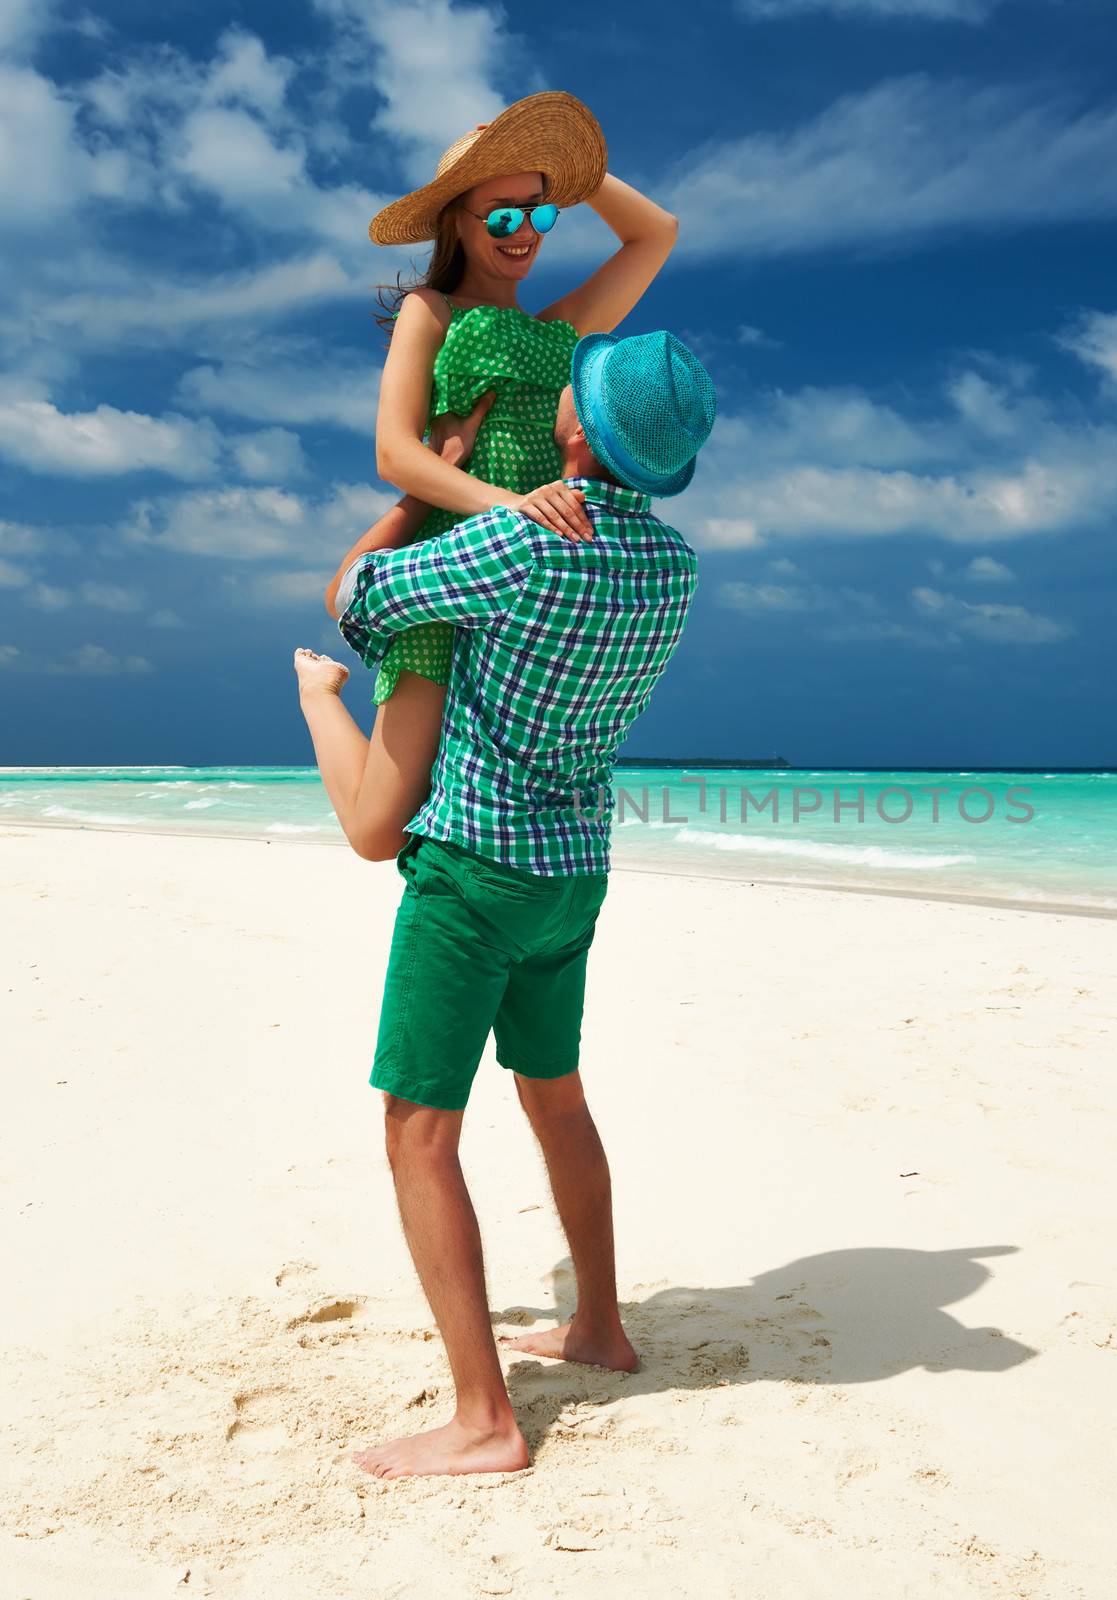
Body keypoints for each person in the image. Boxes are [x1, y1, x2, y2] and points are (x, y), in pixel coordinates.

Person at [301, 328, 715, 1480]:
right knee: (557, 1100)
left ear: (572, 430)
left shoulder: (520, 545)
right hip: (573, 867)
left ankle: (485, 1418)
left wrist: (425, 472)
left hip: (478, 865)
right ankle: (600, 1326)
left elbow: (355, 596)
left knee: (418, 1132)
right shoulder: (674, 566)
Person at [294, 90, 679, 859]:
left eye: (539, 214)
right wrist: (511, 506)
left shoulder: (561, 331)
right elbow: (394, 454)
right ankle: (317, 693)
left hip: (532, 591)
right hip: (454, 567)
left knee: (496, 803)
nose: (524, 233)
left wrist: (561, 168)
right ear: (457, 223)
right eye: (501, 215)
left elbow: (655, 233)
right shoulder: (430, 311)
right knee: (378, 833)